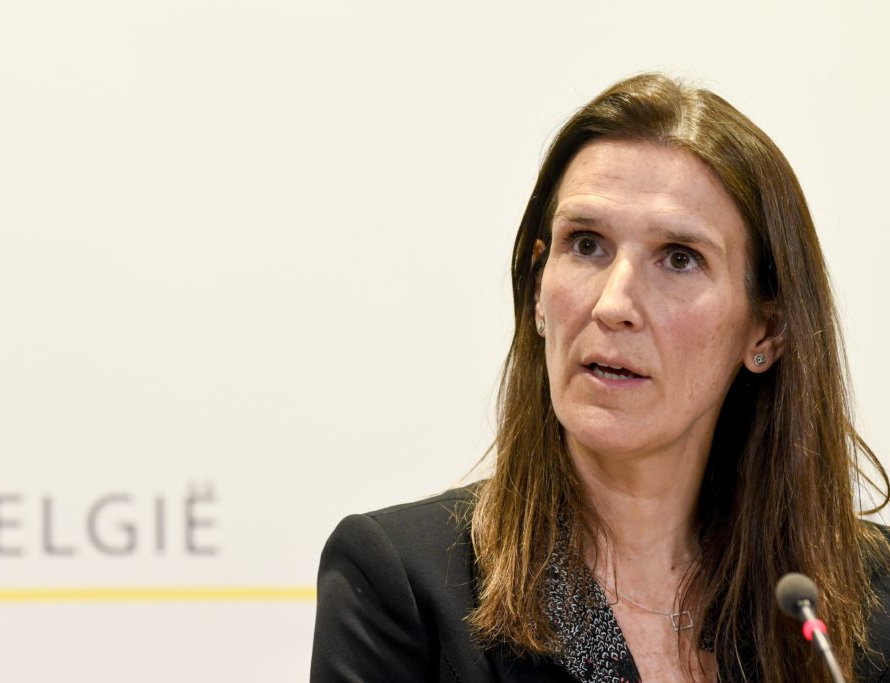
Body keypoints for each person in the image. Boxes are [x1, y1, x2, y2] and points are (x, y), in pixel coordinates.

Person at [309, 73, 890, 682]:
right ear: (538, 289)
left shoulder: (864, 607)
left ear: (766, 332)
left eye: (679, 259)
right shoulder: (406, 583)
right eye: (586, 244)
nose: (613, 304)